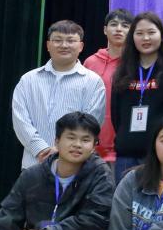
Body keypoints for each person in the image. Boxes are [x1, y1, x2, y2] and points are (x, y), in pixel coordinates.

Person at [12, 20, 106, 169]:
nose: (64, 45)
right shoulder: (28, 80)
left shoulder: (93, 82)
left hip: (74, 167)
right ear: (48, 45)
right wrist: (42, 150)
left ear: (81, 46)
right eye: (57, 40)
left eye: (71, 41)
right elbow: (20, 120)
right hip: (33, 165)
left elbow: (91, 123)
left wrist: (61, 151)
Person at [111, 11, 163, 182]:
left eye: (151, 32)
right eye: (139, 33)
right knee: (125, 198)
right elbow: (116, 115)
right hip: (127, 153)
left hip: (161, 155)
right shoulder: (123, 71)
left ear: (162, 36)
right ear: (132, 38)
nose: (145, 38)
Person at [84, 8, 134, 164]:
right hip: (92, 146)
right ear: (105, 30)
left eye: (125, 25)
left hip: (125, 147)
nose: (119, 29)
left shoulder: (136, 64)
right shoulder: (91, 62)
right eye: (114, 24)